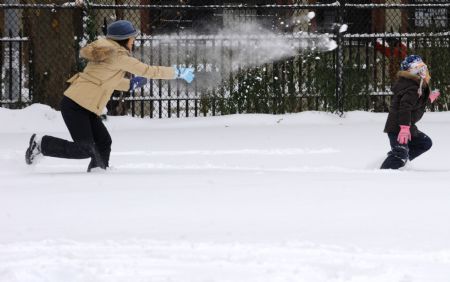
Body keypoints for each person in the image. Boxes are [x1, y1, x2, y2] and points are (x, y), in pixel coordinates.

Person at [25, 20, 195, 172]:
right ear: (124, 39)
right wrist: (177, 72)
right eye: (132, 38)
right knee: (84, 148)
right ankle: (41, 144)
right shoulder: (117, 55)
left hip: (85, 105)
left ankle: (98, 172)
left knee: (104, 142)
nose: (134, 41)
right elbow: (149, 70)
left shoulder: (108, 52)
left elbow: (104, 80)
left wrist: (130, 84)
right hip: (76, 105)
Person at [380, 55, 440, 169]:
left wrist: (428, 98)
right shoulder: (413, 87)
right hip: (399, 128)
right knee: (400, 154)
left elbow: (413, 102)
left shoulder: (414, 85)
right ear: (416, 71)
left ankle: (401, 163)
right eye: (423, 70)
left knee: (424, 143)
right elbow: (405, 107)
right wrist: (404, 128)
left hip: (407, 126)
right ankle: (383, 173)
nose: (426, 73)